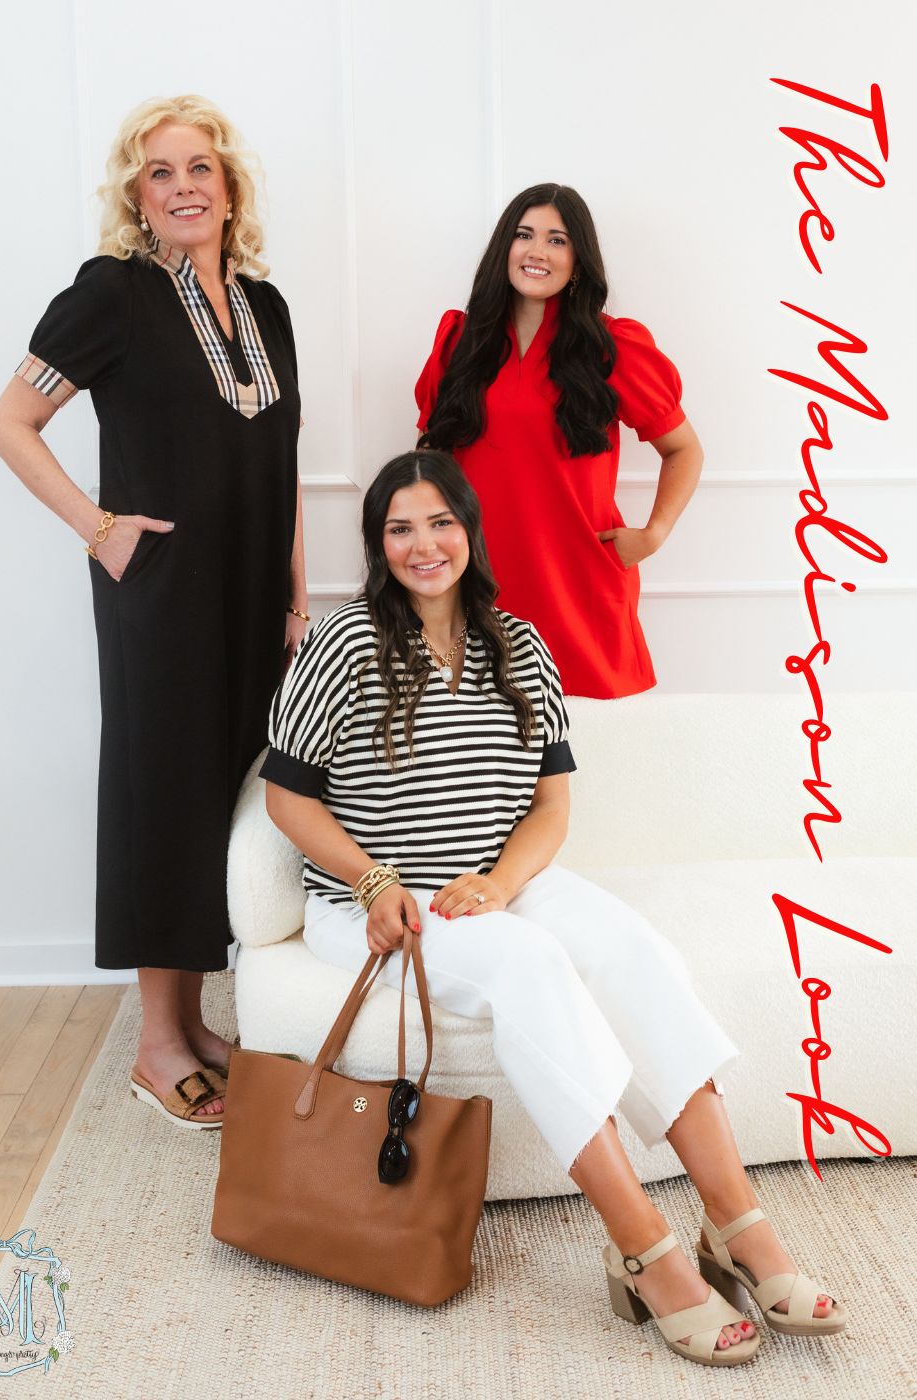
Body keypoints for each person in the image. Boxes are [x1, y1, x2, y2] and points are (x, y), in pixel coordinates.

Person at [262, 450, 845, 1365]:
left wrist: (500, 886)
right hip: (372, 901)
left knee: (632, 950)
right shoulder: (344, 643)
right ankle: (645, 1249)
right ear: (378, 545)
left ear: (470, 529)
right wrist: (374, 882)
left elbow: (549, 806)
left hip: (496, 881)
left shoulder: (519, 645)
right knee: (528, 964)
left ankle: (738, 1224)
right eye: (400, 528)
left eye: (441, 522)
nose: (423, 545)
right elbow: (287, 797)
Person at [0, 95, 308, 1128]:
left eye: (200, 167)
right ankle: (157, 1043)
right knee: (164, 796)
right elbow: (12, 420)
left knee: (222, 796)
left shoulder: (267, 307)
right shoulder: (112, 295)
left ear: (230, 187)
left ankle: (195, 1019)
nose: (183, 187)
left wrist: (297, 592)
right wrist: (99, 527)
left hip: (255, 593)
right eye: (160, 171)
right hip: (162, 590)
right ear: (136, 194)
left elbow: (283, 462)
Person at [415, 182, 702, 699]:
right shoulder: (460, 343)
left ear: (578, 259)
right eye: (524, 235)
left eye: (557, 240)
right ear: (504, 246)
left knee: (593, 729)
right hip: (476, 575)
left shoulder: (611, 347)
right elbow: (427, 460)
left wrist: (653, 534)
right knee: (480, 724)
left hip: (579, 578)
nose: (538, 251)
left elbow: (683, 449)